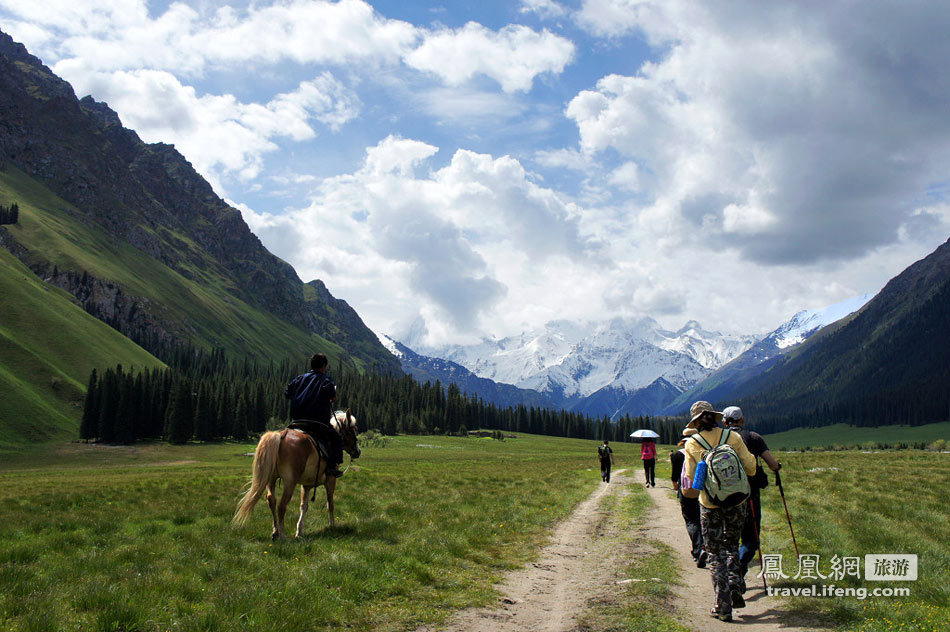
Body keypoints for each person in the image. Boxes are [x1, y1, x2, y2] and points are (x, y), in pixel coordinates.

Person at [683, 401, 756, 622]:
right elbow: (751, 467)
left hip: (710, 503)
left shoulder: (693, 444)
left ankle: (722, 605)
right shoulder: (732, 438)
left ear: (695, 422)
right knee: (732, 543)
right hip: (736, 502)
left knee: (714, 552)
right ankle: (735, 582)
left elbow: (693, 484)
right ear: (715, 417)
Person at [721, 406, 782, 592]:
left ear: (724, 422)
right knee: (751, 539)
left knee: (729, 539)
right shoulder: (753, 437)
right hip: (749, 496)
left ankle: (730, 575)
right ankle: (738, 571)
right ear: (742, 420)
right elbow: (772, 463)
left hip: (724, 496)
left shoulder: (719, 439)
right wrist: (777, 467)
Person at [284, 353, 345, 478]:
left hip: (296, 421)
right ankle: (331, 468)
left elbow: (287, 394)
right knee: (338, 439)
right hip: (318, 422)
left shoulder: (299, 379)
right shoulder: (326, 380)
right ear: (323, 366)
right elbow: (333, 398)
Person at [671, 428, 706, 567]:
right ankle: (705, 546)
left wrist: (676, 490)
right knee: (703, 518)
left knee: (691, 520)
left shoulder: (677, 455)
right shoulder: (704, 452)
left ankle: (698, 550)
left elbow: (674, 477)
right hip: (703, 489)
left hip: (686, 490)